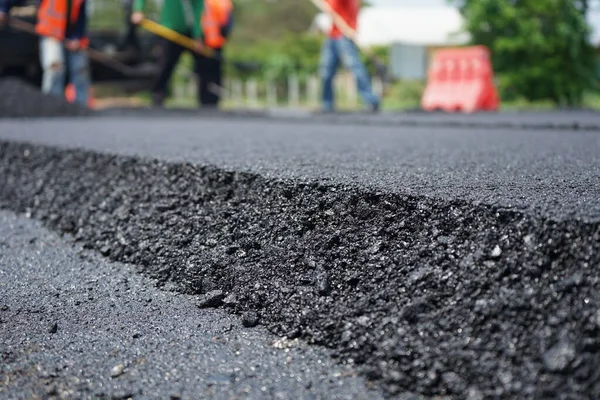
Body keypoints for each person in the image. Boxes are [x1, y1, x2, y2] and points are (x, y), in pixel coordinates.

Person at [0, 0, 91, 107]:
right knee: (55, 67)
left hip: (72, 37)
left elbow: (81, 15)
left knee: (81, 70)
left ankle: (82, 107)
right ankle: (52, 105)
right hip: (51, 32)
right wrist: (3, 8)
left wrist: (76, 37)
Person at [131, 0, 205, 108]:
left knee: (204, 66)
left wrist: (198, 35)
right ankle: (157, 99)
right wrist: (138, 10)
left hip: (190, 32)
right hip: (168, 30)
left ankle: (207, 103)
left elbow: (198, 9)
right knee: (164, 65)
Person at [319, 0, 379, 113]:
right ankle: (327, 103)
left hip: (344, 36)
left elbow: (331, 8)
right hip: (333, 36)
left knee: (355, 68)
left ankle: (371, 100)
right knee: (326, 71)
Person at [198, 0, 233, 108]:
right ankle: (208, 101)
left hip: (212, 43)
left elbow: (228, 23)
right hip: (206, 44)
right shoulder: (225, 3)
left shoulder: (217, 3)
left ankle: (210, 101)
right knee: (206, 73)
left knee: (210, 74)